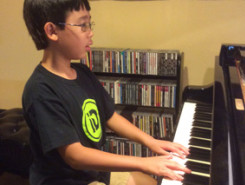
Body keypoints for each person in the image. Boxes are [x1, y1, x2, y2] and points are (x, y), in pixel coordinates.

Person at [22, 0, 191, 185]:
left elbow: (110, 116)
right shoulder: (41, 90)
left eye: (90, 24)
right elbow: (75, 156)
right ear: (52, 31)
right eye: (83, 25)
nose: (90, 32)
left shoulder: (83, 73)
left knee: (150, 182)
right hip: (64, 180)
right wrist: (143, 163)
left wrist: (151, 142)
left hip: (91, 173)